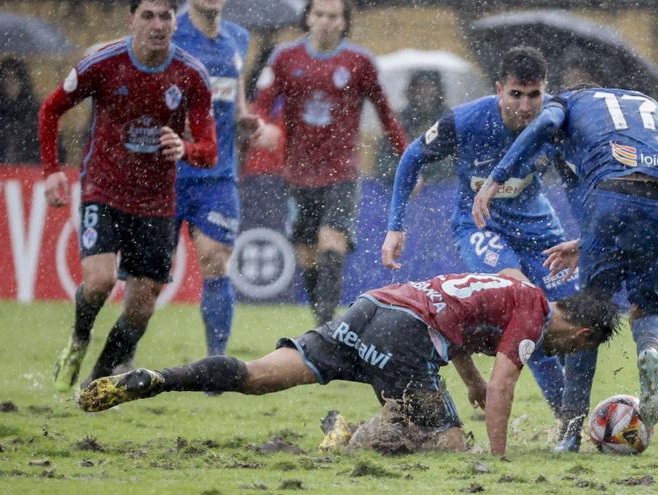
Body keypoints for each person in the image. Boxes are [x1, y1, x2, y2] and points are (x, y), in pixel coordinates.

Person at [79, 272, 620, 457]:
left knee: (259, 377)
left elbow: (460, 322)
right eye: (578, 349)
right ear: (583, 332)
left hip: (373, 306)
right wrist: (500, 466)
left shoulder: (515, 288)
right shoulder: (535, 315)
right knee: (452, 442)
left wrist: (470, 380)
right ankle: (347, 436)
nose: (567, 353)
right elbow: (506, 390)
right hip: (406, 332)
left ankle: (156, 378)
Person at [381, 46, 596, 452]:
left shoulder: (557, 121)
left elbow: (580, 183)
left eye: (534, 95)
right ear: (499, 90)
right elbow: (411, 157)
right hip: (480, 226)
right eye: (516, 94)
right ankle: (569, 428)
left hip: (538, 226)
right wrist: (395, 227)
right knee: (531, 308)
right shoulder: (466, 121)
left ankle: (579, 414)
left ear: (545, 92)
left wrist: (586, 236)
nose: (525, 105)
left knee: (578, 316)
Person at [473, 86, 658, 428]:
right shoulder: (646, 102)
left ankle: (570, 431)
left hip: (611, 193)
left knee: (588, 312)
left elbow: (543, 127)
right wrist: (587, 241)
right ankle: (649, 350)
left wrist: (495, 180)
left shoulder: (566, 102)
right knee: (647, 310)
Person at [42, 0, 217, 392]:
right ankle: (79, 338)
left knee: (142, 305)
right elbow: (50, 110)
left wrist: (185, 148)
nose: (157, 24)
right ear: (131, 20)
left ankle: (99, 378)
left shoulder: (191, 74)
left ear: (175, 21)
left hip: (156, 203)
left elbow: (208, 151)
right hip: (102, 191)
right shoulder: (102, 63)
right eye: (148, 15)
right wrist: (52, 171)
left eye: (165, 16)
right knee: (100, 281)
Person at [255, 0, 407, 326]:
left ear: (343, 22)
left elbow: (386, 114)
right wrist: (262, 125)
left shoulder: (358, 62)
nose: (325, 21)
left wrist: (408, 158)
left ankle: (328, 328)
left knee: (331, 242)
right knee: (307, 256)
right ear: (308, 17)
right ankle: (323, 324)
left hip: (342, 171)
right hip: (297, 173)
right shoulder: (284, 58)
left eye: (332, 16)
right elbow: (262, 106)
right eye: (319, 14)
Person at [172, 0, 265, 357]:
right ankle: (122, 354)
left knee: (215, 257)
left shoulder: (238, 38)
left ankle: (216, 363)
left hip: (217, 173)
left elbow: (235, 101)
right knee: (146, 282)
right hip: (168, 171)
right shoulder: (169, 31)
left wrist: (246, 120)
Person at [373, 69, 452, 185]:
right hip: (404, 189)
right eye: (420, 87)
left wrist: (426, 168)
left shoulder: (449, 120)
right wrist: (407, 174)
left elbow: (457, 160)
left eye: (430, 87)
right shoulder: (399, 121)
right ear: (411, 90)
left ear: (438, 90)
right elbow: (382, 161)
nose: (424, 92)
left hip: (444, 189)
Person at [0, 58, 42, 164]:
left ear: (22, 81)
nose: (9, 83)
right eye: (5, 78)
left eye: (14, 78)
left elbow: (45, 144)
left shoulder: (35, 111)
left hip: (29, 172)